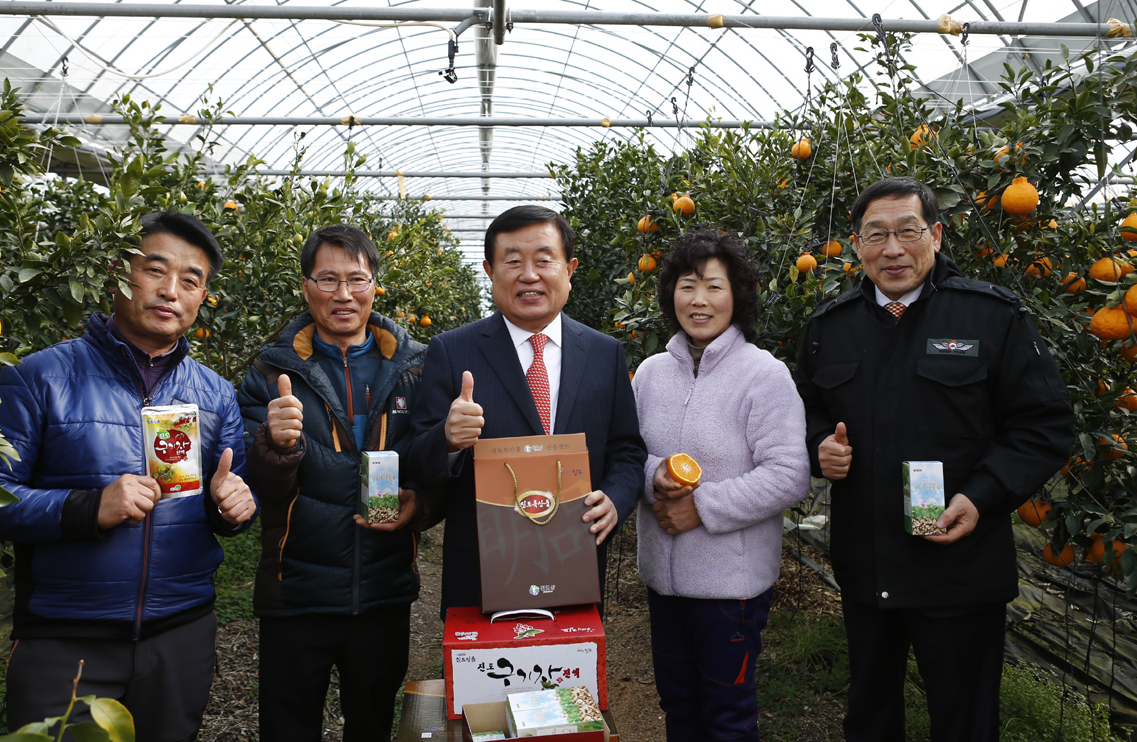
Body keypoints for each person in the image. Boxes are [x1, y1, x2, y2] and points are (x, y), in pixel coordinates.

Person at [793, 177, 1073, 742]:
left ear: (936, 235)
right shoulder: (830, 328)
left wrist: (983, 493)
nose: (892, 249)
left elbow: (1044, 425)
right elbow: (804, 411)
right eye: (876, 235)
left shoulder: (991, 318)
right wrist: (819, 446)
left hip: (959, 565)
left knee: (964, 717)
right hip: (868, 563)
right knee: (870, 713)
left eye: (907, 231)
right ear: (856, 246)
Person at [0, 212, 257, 742]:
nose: (171, 291)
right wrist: (86, 507)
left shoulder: (215, 394)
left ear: (202, 296)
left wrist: (233, 506)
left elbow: (231, 496)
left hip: (181, 632)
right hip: (65, 640)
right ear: (118, 274)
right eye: (154, 270)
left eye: (191, 280)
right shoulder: (39, 378)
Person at [237, 224, 434, 742]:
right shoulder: (270, 371)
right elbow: (256, 483)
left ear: (375, 286)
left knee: (371, 724)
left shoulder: (416, 369)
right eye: (328, 279)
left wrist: (421, 504)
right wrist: (276, 446)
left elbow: (431, 466)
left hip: (382, 590)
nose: (343, 294)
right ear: (306, 286)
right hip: (296, 591)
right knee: (288, 725)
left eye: (356, 279)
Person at [405, 204, 646, 614]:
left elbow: (626, 449)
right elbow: (414, 460)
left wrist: (617, 500)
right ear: (490, 271)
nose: (529, 275)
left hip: (576, 554)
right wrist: (446, 439)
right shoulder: (452, 350)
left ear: (569, 269)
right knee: (488, 675)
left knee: (568, 676)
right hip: (481, 563)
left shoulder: (605, 353)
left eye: (543, 260)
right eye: (513, 261)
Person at [632, 228, 810, 741]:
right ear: (671, 295)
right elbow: (627, 453)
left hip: (730, 589)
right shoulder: (650, 373)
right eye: (687, 286)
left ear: (737, 295)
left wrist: (701, 507)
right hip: (663, 582)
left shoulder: (763, 375)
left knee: (727, 713)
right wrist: (654, 475)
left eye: (714, 286)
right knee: (679, 706)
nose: (699, 300)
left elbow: (788, 474)